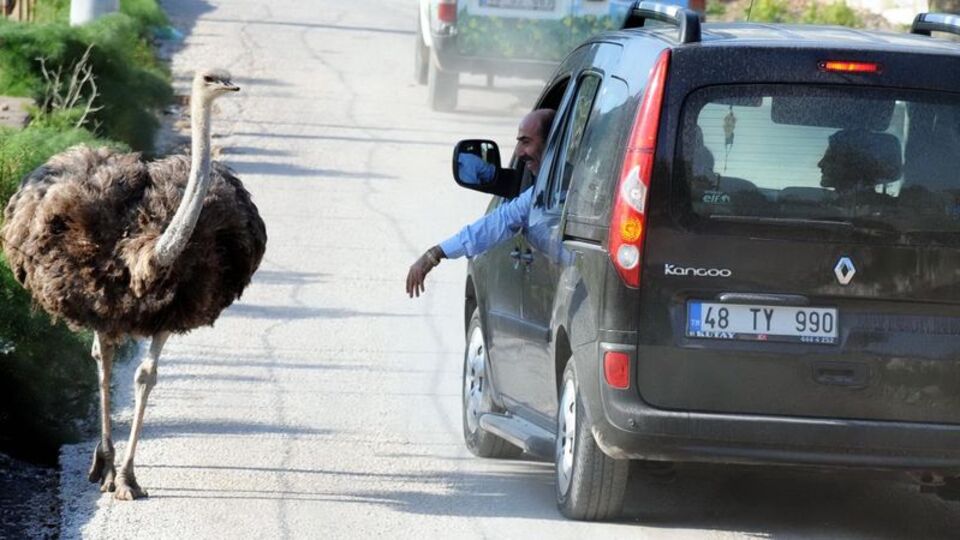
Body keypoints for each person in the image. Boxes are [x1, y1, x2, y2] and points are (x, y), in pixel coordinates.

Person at [406, 109, 556, 298]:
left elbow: (500, 221)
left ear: (552, 145)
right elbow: (501, 220)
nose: (518, 152)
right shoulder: (545, 191)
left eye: (526, 142)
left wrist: (435, 253)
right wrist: (436, 253)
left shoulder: (560, 192)